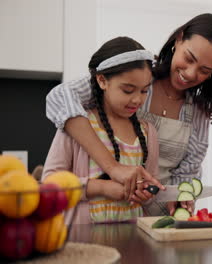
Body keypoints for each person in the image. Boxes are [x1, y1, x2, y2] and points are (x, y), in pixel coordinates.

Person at [45, 13, 212, 215]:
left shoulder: (197, 112)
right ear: (179, 39)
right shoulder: (136, 74)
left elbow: (187, 172)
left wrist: (181, 199)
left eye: (204, 70)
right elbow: (60, 97)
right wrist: (113, 167)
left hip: (152, 218)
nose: (190, 73)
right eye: (189, 58)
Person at [43, 36, 162, 224]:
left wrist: (146, 194)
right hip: (84, 244)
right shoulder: (76, 124)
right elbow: (49, 184)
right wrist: (101, 188)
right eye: (128, 90)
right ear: (102, 81)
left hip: (133, 241)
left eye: (144, 90)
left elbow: (152, 183)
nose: (137, 100)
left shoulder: (149, 133)